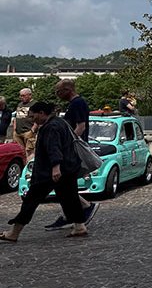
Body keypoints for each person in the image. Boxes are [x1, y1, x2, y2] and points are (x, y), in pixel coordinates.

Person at [0, 101, 87, 241]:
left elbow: (54, 148)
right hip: (68, 168)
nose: (32, 119)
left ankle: (14, 232)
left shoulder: (50, 127)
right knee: (70, 198)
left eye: (33, 116)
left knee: (31, 200)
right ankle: (79, 226)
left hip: (50, 172)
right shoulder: (60, 122)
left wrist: (55, 167)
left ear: (41, 113)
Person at [42, 79, 100, 232]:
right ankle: (71, 214)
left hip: (72, 150)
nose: (57, 95)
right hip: (71, 149)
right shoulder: (75, 104)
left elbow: (81, 126)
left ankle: (80, 209)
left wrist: (67, 144)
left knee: (64, 183)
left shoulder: (77, 103)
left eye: (58, 92)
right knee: (64, 184)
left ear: (67, 90)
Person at [12, 88, 36, 156]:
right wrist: (14, 130)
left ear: (30, 95)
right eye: (20, 96)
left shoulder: (34, 104)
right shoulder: (20, 104)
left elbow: (38, 119)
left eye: (23, 95)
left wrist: (32, 130)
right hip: (18, 133)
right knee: (20, 152)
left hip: (28, 132)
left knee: (29, 151)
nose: (21, 97)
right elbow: (16, 117)